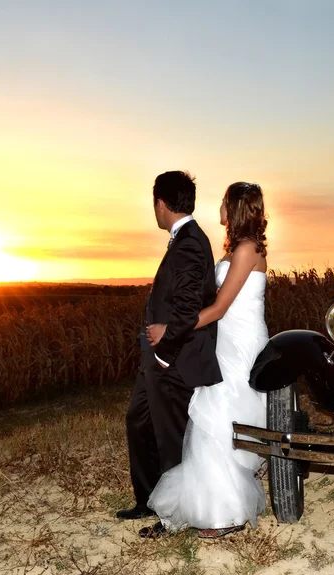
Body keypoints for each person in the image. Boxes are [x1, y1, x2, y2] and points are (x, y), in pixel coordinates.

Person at [146, 181, 269, 538]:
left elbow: (218, 308)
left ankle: (227, 512)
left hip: (241, 343)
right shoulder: (236, 249)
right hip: (225, 341)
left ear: (234, 209)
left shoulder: (247, 250)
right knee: (210, 417)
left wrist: (171, 330)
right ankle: (202, 504)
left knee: (218, 417)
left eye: (223, 202)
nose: (218, 207)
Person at [116, 171, 222, 539]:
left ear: (161, 204)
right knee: (138, 421)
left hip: (173, 358)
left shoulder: (191, 242)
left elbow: (189, 306)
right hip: (156, 356)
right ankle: (148, 498)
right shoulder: (184, 240)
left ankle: (173, 517)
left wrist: (165, 354)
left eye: (154, 205)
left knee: (171, 437)